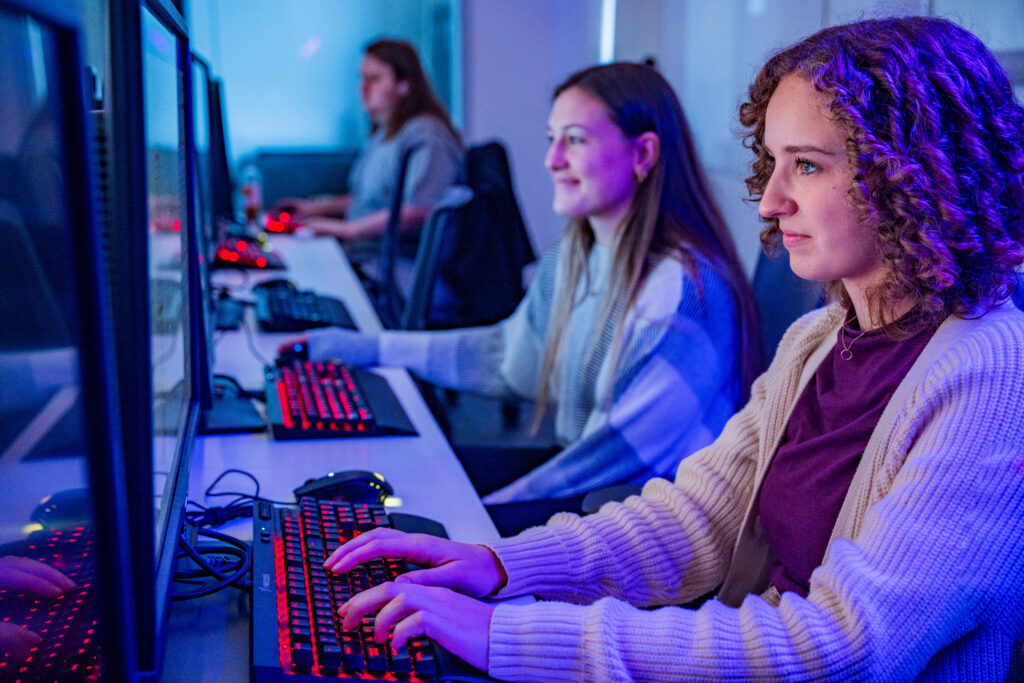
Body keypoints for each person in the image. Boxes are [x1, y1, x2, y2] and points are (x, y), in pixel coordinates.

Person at [318, 16, 1024, 680]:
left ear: (919, 172)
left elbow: (840, 646)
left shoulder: (988, 375)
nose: (771, 202)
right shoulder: (820, 337)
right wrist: (496, 564)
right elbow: (699, 518)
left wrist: (511, 636)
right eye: (774, 162)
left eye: (806, 165)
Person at [287, 62, 761, 522]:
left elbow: (605, 464)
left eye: (574, 140)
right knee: (391, 485)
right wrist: (370, 349)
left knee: (399, 515)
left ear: (643, 155)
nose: (551, 161)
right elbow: (508, 354)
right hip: (587, 484)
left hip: (645, 526)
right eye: (552, 140)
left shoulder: (681, 297)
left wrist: (465, 521)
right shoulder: (579, 251)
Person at [275, 38, 462, 247]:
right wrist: (313, 209)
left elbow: (419, 211)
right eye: (361, 78)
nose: (363, 88)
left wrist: (347, 230)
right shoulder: (383, 134)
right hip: (368, 253)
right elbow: (368, 200)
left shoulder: (426, 135)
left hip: (396, 266)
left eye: (373, 79)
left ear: (404, 85)